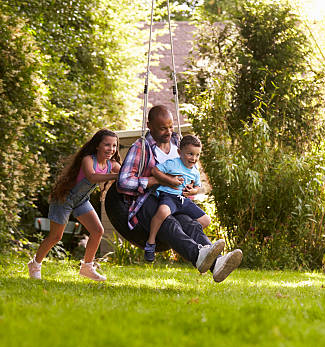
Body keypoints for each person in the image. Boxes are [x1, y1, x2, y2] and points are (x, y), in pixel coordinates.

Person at [105, 105, 242, 282]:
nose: (168, 132)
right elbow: (123, 182)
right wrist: (156, 181)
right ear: (150, 125)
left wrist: (189, 188)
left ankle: (217, 264)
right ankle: (199, 255)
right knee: (168, 223)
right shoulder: (142, 147)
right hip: (146, 201)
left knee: (190, 224)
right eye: (162, 128)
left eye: (170, 126)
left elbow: (189, 174)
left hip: (174, 199)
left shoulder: (178, 144)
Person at [28, 129, 122, 281]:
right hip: (65, 199)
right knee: (55, 236)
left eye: (114, 146)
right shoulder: (88, 160)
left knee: (97, 231)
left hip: (81, 200)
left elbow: (127, 172)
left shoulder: (112, 165)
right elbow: (92, 177)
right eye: (107, 145)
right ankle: (35, 264)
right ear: (97, 145)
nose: (111, 149)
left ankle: (87, 267)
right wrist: (117, 175)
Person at [144, 135, 210, 262]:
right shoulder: (173, 164)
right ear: (180, 152)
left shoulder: (194, 171)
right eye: (190, 154)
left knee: (206, 220)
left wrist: (192, 190)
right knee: (163, 212)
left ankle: (187, 241)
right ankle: (151, 242)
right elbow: (155, 171)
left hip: (183, 200)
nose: (194, 158)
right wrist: (169, 180)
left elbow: (197, 186)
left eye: (197, 155)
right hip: (169, 196)